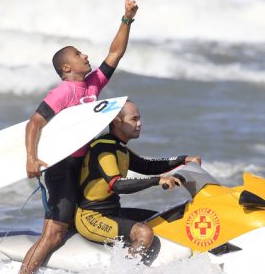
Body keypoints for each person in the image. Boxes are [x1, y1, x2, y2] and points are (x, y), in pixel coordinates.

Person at [18, 0, 139, 274]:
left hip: (86, 165)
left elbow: (115, 54)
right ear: (66, 67)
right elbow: (34, 123)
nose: (85, 55)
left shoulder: (92, 85)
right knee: (55, 231)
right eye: (78, 54)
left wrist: (127, 19)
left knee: (77, 224)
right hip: (62, 166)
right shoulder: (63, 92)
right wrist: (31, 159)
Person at [75, 100, 201, 255]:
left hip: (113, 212)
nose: (140, 123)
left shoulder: (119, 147)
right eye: (134, 119)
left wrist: (183, 160)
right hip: (92, 218)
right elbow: (117, 184)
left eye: (139, 118)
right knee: (144, 233)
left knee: (165, 220)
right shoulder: (104, 149)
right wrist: (157, 180)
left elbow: (147, 166)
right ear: (117, 121)